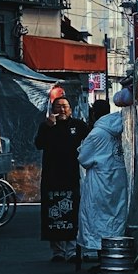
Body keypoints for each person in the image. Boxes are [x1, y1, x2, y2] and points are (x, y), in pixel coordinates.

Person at [77, 97, 129, 266]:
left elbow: (84, 158)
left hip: (100, 179)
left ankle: (103, 259)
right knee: (115, 215)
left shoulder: (97, 133)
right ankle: (114, 256)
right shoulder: (119, 128)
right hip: (117, 177)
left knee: (98, 217)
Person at [35, 94, 88, 260]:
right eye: (58, 107)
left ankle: (72, 250)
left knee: (72, 211)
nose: (62, 109)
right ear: (52, 110)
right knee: (53, 212)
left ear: (70, 109)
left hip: (72, 174)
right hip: (51, 175)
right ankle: (58, 251)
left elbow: (90, 143)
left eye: (65, 106)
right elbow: (38, 144)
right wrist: (48, 127)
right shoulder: (46, 126)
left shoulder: (79, 125)